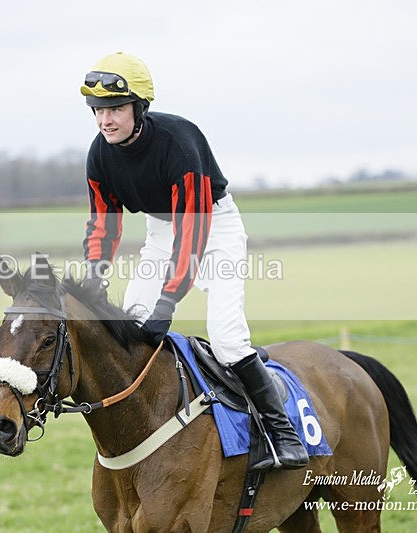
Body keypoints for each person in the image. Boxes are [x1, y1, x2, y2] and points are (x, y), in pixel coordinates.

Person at [79, 51, 307, 470]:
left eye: (114, 109)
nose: (104, 120)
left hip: (211, 226)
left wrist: (169, 300)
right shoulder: (100, 154)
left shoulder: (179, 142)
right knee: (133, 323)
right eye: (97, 111)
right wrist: (95, 276)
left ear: (139, 107)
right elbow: (103, 225)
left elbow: (192, 235)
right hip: (161, 230)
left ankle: (283, 434)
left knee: (225, 336)